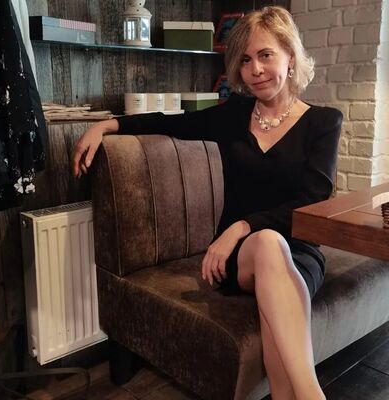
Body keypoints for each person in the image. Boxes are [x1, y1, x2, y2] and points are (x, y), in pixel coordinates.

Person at [73, 6, 342, 400]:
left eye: (265, 55)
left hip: (298, 253)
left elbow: (312, 200)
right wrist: (107, 124)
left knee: (272, 268)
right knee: (266, 243)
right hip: (240, 258)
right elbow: (171, 122)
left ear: (290, 55)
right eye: (245, 60)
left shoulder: (323, 122)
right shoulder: (235, 115)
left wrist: (240, 226)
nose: (255, 69)